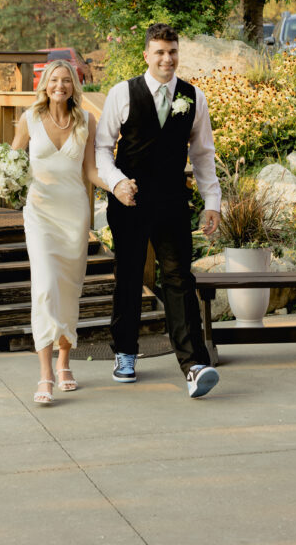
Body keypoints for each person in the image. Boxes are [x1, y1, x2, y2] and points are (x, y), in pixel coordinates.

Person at [95, 22, 222, 398]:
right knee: (130, 276)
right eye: (160, 52)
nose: (167, 59)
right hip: (129, 199)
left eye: (173, 51)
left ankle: (194, 365)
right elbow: (102, 148)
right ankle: (125, 353)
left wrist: (211, 201)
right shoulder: (123, 93)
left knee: (180, 278)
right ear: (147, 55)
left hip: (172, 201)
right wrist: (117, 182)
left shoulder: (194, 97)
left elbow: (202, 155)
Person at [11, 59, 116, 404]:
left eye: (67, 80)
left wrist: (117, 187)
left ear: (74, 85)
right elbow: (12, 160)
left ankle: (65, 361)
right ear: (45, 85)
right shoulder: (29, 119)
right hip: (39, 213)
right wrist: (0, 177)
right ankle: (44, 374)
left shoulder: (87, 120)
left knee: (69, 290)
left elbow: (92, 170)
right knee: (43, 287)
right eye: (54, 80)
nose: (61, 85)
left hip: (73, 215)